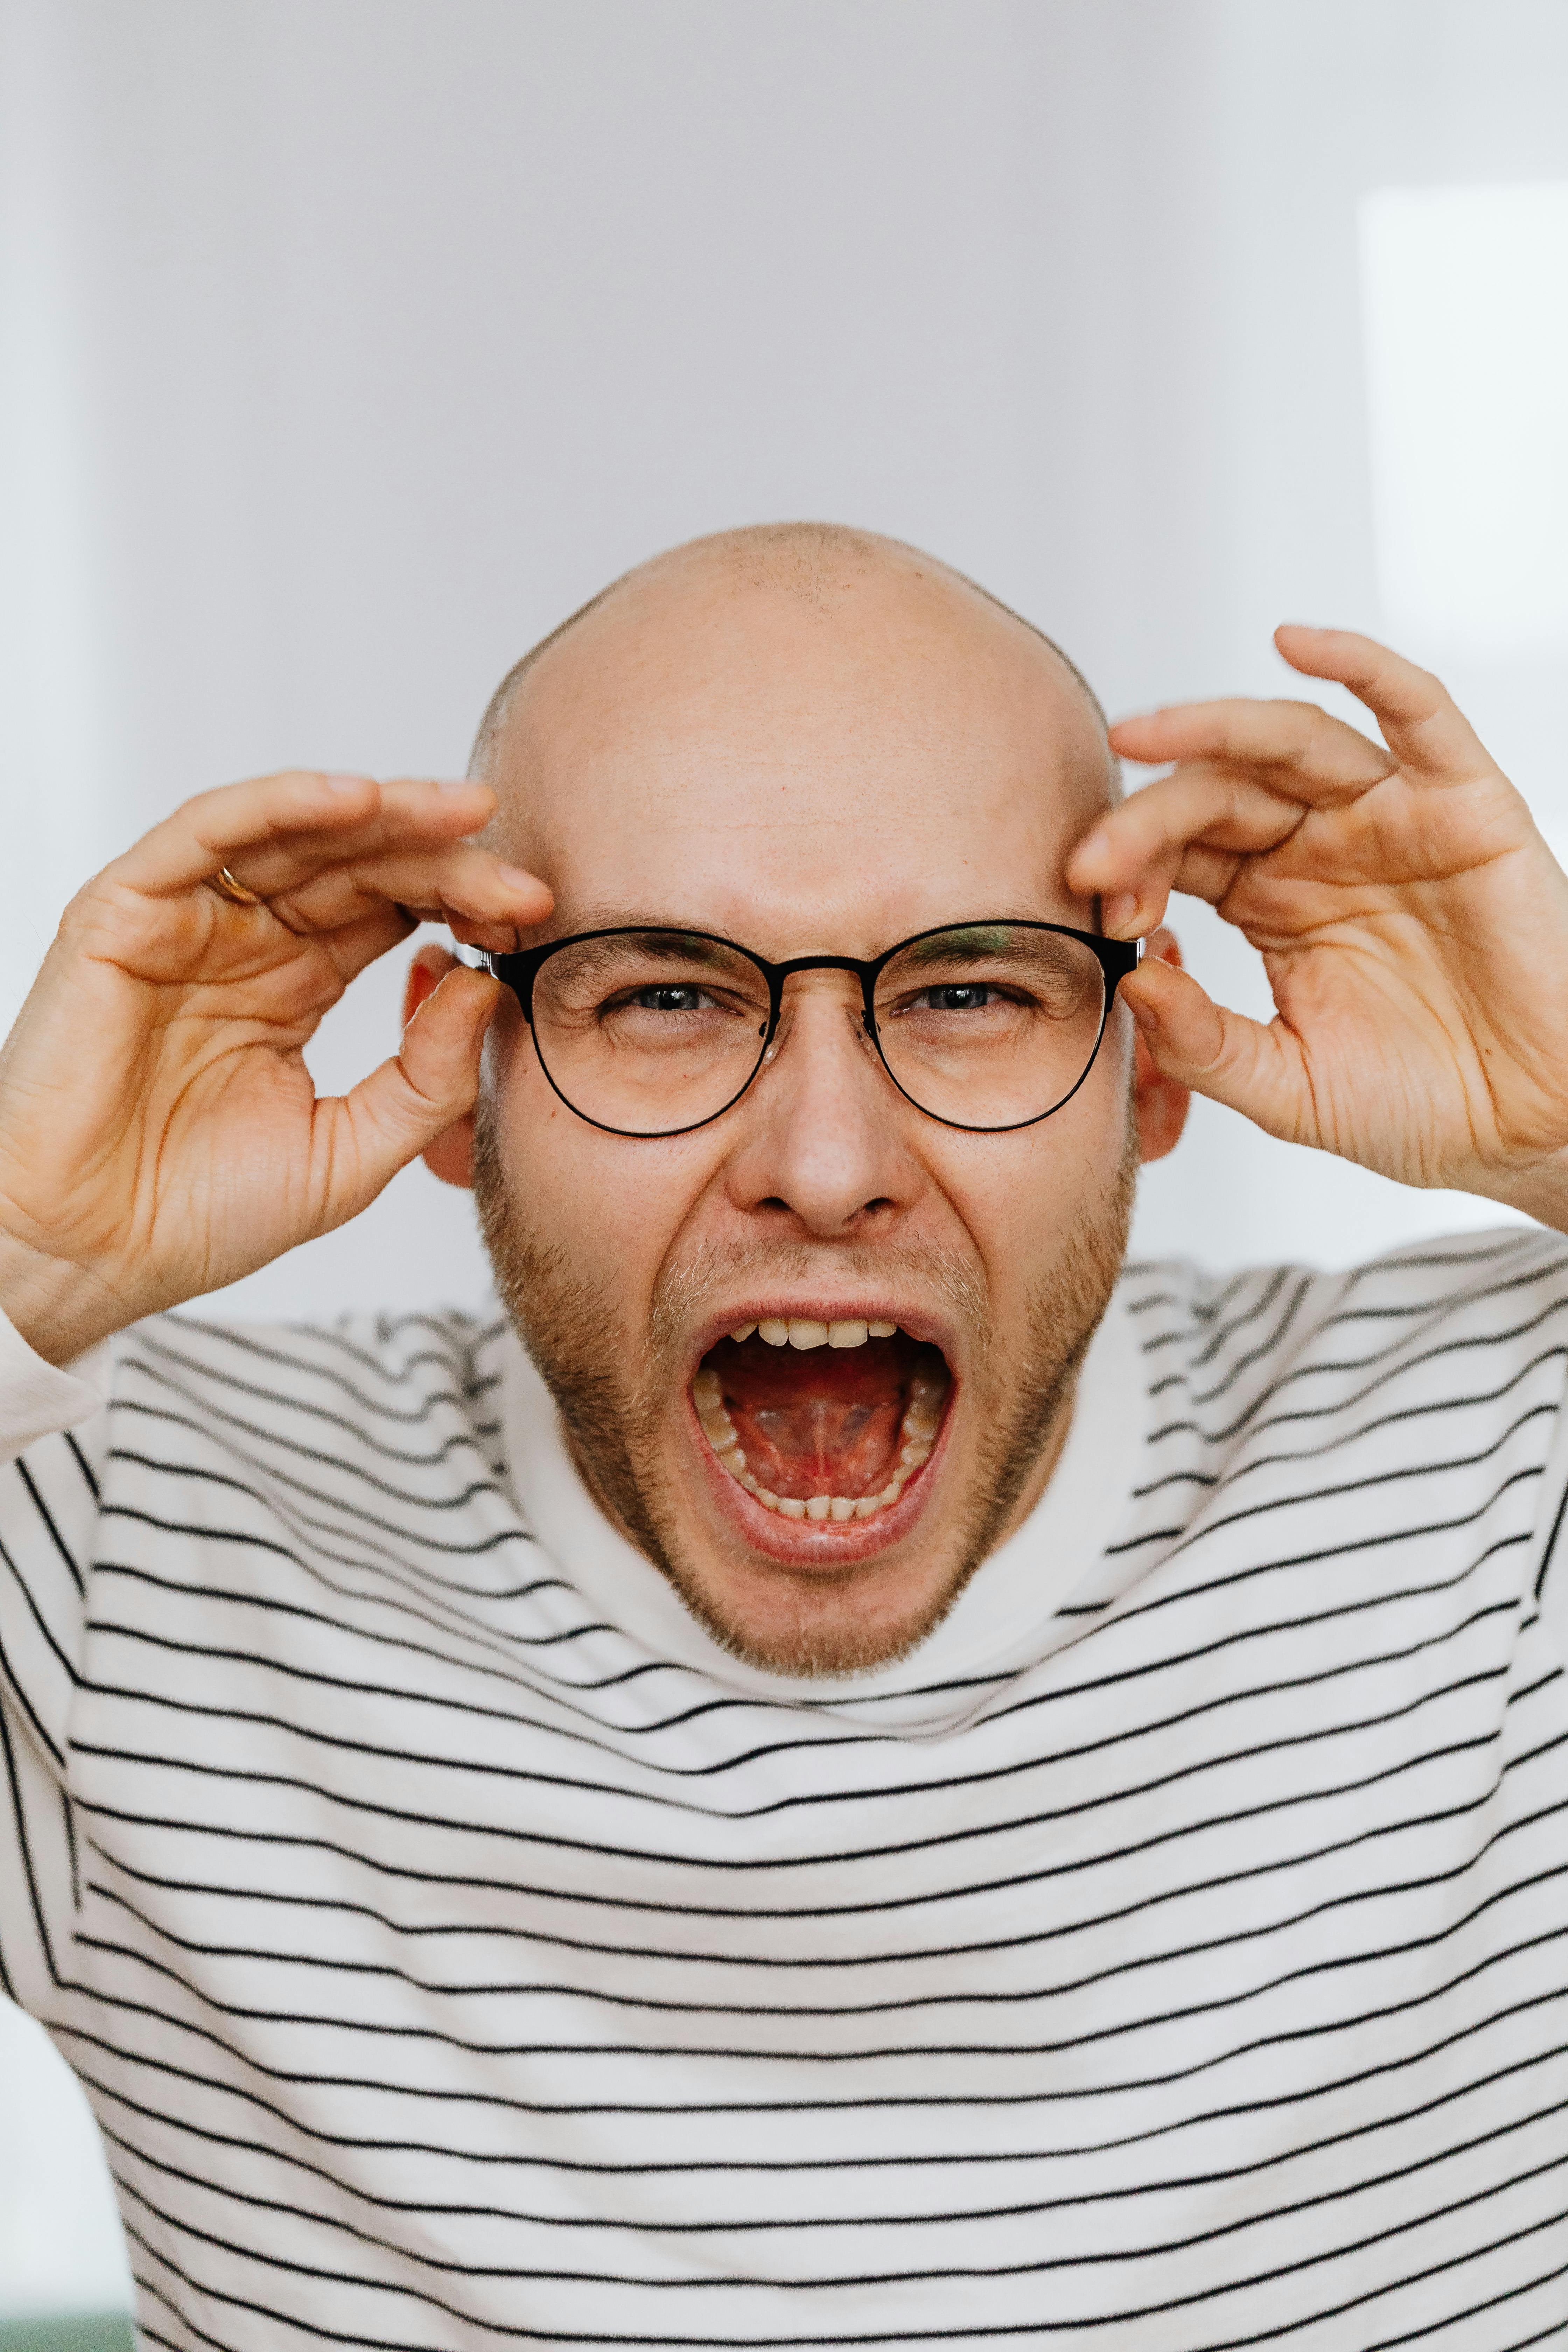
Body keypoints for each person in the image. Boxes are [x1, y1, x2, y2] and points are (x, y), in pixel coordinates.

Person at [1, 523, 1565, 2352]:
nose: (826, 1167)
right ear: (459, 1074)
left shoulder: (1496, 1482)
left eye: (970, 990)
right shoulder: (124, 1565)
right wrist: (19, 1261)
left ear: (1148, 1065)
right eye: (665, 995)